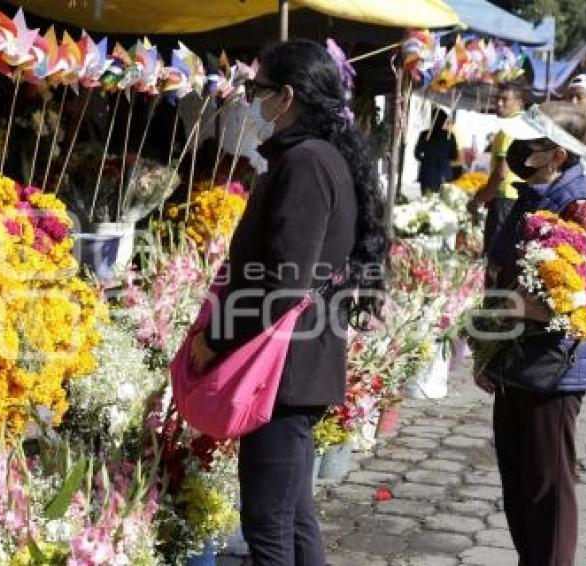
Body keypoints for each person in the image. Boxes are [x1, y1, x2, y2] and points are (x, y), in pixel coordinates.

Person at [189, 39, 386, 565]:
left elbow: (284, 283)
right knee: (293, 519)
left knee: (267, 526)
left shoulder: (305, 163)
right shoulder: (313, 157)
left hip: (282, 368)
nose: (250, 99)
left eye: (257, 89)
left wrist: (217, 338)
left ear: (287, 96)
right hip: (296, 364)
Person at [478, 102, 586, 566]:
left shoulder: (580, 206)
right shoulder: (532, 193)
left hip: (553, 367)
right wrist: (486, 351)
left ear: (555, 153)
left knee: (548, 492)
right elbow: (499, 272)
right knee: (519, 486)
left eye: (529, 142)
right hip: (515, 361)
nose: (518, 149)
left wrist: (519, 308)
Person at [467, 81, 528, 263]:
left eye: (504, 100)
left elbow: (501, 173)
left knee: (495, 258)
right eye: (497, 99)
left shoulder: (509, 129)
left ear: (519, 102)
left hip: (505, 198)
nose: (498, 104)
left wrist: (479, 198)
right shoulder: (528, 124)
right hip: (521, 198)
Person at [414, 109, 459, 194]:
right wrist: (444, 158)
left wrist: (426, 160)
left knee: (426, 201)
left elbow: (417, 154)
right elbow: (455, 156)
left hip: (427, 174)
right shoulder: (449, 136)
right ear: (443, 122)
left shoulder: (424, 134)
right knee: (441, 203)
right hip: (443, 175)